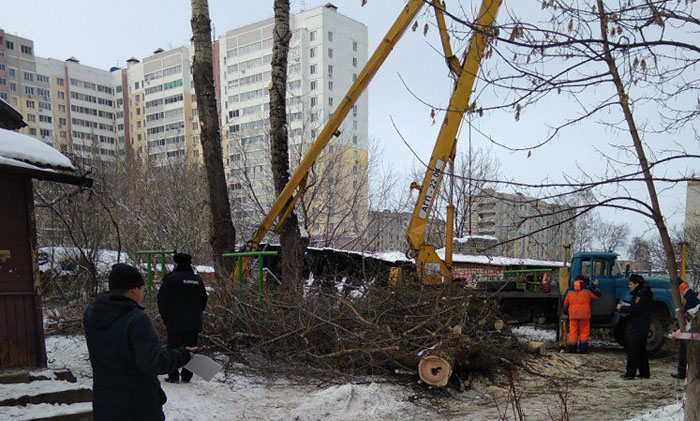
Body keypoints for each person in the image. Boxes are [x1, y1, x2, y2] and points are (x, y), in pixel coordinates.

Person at [84, 263, 192, 421]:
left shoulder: (92, 313)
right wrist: (183, 355)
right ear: (134, 289)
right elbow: (153, 363)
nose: (143, 293)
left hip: (104, 403)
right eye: (142, 288)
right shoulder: (136, 319)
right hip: (138, 406)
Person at [157, 252, 208, 383]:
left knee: (173, 348)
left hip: (175, 321)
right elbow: (204, 300)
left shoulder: (171, 279)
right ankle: (187, 376)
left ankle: (173, 376)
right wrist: (196, 314)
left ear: (177, 263)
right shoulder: (197, 280)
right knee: (191, 348)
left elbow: (162, 299)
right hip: (194, 321)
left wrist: (166, 318)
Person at [616, 273, 653, 380]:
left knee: (633, 349)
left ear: (637, 284)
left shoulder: (641, 294)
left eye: (631, 284)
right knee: (640, 349)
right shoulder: (641, 293)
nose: (629, 286)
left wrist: (622, 308)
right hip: (640, 324)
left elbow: (636, 309)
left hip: (638, 325)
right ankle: (644, 372)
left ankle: (630, 373)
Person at [563, 274, 601, 353]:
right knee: (584, 331)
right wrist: (596, 286)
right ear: (583, 280)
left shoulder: (569, 290)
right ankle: (583, 349)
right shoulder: (587, 289)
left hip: (573, 314)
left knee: (573, 331)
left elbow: (565, 303)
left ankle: (572, 349)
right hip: (584, 314)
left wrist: (565, 311)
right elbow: (597, 295)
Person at [671, 281, 699, 379]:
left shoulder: (690, 295)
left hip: (692, 325)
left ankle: (684, 372)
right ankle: (682, 372)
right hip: (689, 325)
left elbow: (694, 300)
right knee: (684, 349)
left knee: (687, 350)